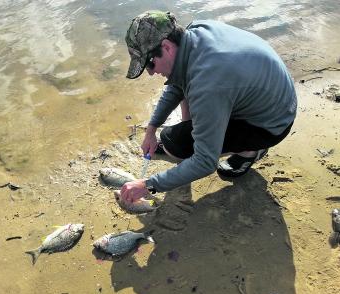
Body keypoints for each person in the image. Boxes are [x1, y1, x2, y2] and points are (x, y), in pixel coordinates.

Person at [120, 10, 297, 202]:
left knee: (177, 144)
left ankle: (251, 151)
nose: (151, 73)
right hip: (270, 99)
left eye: (150, 64)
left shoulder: (208, 84)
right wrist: (151, 129)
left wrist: (148, 185)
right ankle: (192, 136)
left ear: (167, 47)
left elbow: (205, 162)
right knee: (179, 128)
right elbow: (175, 85)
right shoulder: (196, 31)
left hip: (271, 124)